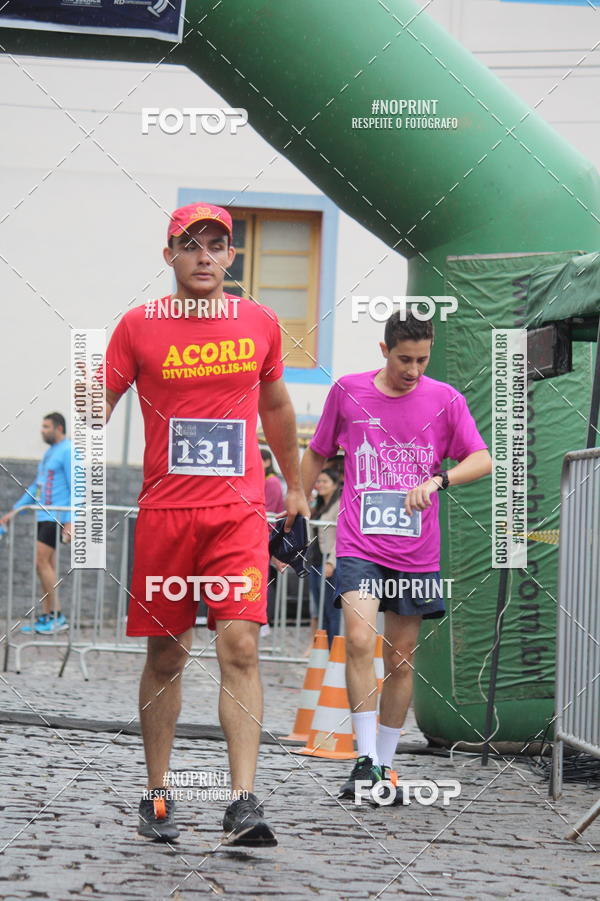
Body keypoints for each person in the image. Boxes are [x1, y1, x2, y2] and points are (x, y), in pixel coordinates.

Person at [102, 202, 309, 845]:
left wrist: (296, 489)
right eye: (190, 245)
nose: (204, 255)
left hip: (238, 515)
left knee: (240, 645)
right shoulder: (137, 326)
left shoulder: (260, 322)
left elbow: (275, 405)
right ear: (169, 256)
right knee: (166, 655)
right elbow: (93, 409)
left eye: (216, 244)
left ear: (230, 256)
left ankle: (243, 800)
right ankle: (158, 794)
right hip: (166, 514)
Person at [301, 310, 492, 801]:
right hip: (360, 544)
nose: (413, 369)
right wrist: (296, 502)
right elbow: (318, 451)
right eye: (404, 359)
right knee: (360, 639)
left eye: (422, 360)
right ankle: (364, 760)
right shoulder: (348, 391)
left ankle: (385, 767)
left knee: (401, 660)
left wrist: (438, 479)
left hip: (416, 552)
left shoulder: (444, 399)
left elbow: (481, 458)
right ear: (383, 351)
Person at [0, 413, 72, 635]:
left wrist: (70, 521)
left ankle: (56, 615)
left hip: (56, 516)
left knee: (41, 562)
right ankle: (48, 615)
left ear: (58, 428)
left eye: (46, 426)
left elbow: (76, 487)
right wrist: (15, 511)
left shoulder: (69, 451)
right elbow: (36, 487)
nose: (42, 430)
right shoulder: (49, 454)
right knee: (45, 566)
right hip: (43, 516)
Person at [305, 467, 341, 650]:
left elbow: (342, 535)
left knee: (331, 610)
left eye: (324, 481)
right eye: (318, 482)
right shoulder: (318, 504)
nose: (320, 485)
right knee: (319, 609)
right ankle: (323, 651)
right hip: (315, 561)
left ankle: (334, 650)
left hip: (329, 562)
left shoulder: (339, 504)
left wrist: (331, 562)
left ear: (335, 484)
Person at [261, 448, 285, 627]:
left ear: (267, 462)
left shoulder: (272, 482)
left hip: (267, 536)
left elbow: (268, 512)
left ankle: (265, 616)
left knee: (265, 578)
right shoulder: (267, 481)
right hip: (266, 536)